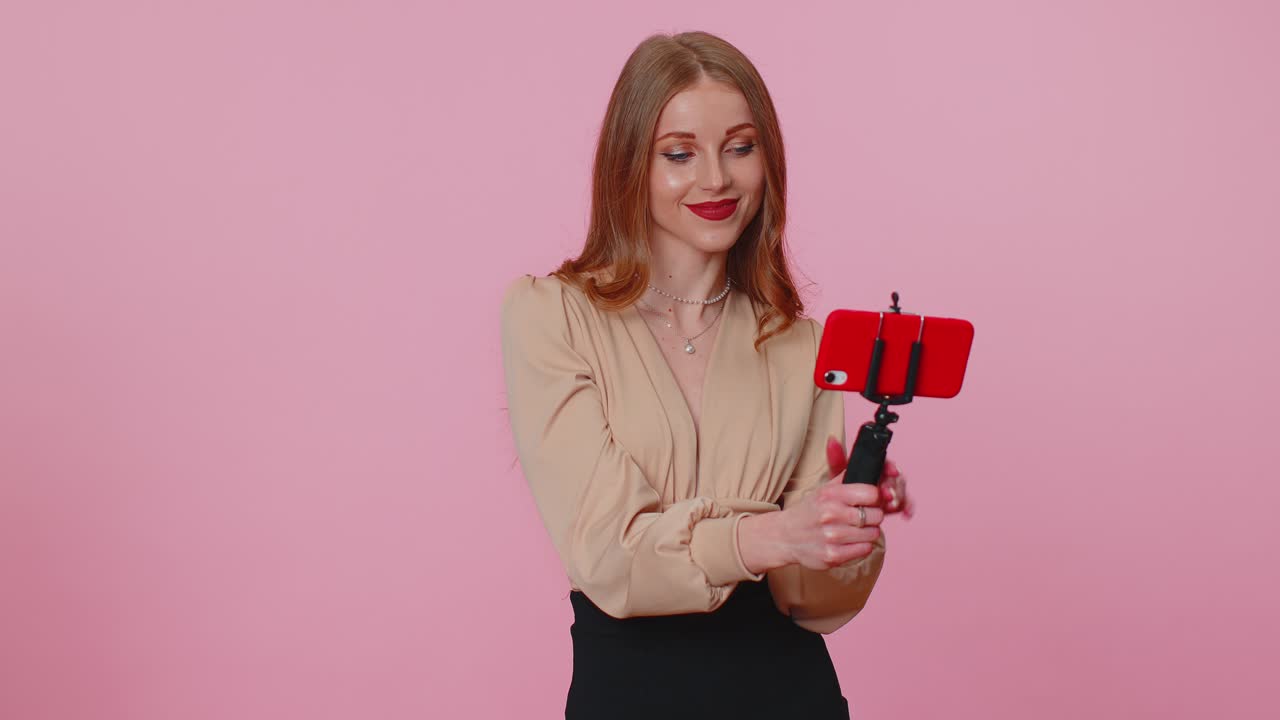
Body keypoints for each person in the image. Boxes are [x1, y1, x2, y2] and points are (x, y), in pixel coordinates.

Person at [499, 30, 915, 720]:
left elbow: (811, 604)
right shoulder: (552, 317)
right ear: (630, 164)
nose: (716, 179)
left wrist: (844, 528)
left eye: (741, 147)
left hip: (792, 696)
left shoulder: (801, 345)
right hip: (628, 698)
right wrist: (773, 532)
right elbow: (611, 556)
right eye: (680, 154)